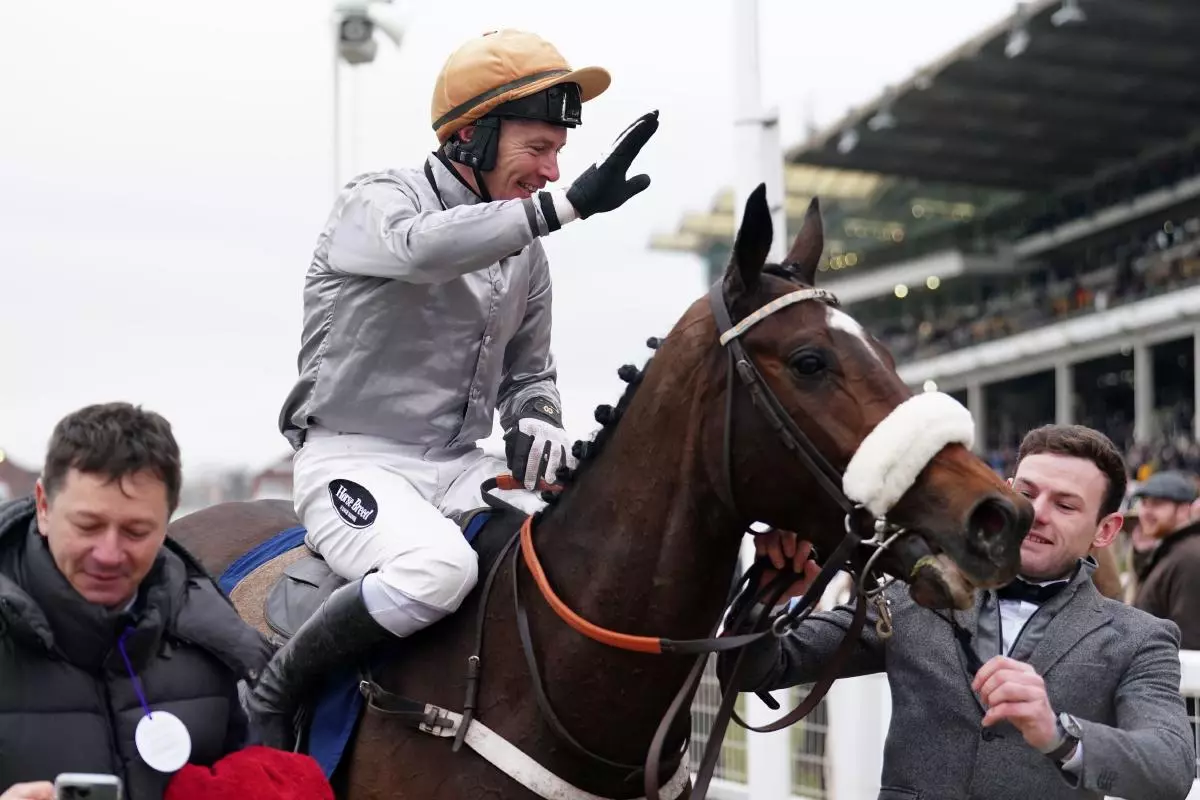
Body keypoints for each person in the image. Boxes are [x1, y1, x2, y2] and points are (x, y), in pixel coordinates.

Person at [249, 28, 659, 747]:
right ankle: (276, 690)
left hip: (459, 466)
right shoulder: (374, 202)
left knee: (576, 549)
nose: (554, 171)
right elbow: (423, 247)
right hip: (351, 460)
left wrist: (535, 425)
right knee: (438, 569)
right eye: (539, 148)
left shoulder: (526, 250)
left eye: (559, 153)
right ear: (470, 136)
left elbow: (531, 372)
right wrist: (562, 213)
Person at [726, 424, 1195, 800]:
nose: (1036, 513)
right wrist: (769, 598)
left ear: (1107, 530)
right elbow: (757, 669)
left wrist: (1060, 735)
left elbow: (1171, 769)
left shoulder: (1141, 637)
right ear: (1003, 493)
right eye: (1027, 493)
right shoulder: (912, 593)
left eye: (1066, 505)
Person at [0, 403, 272, 800]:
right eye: (88, 526)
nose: (109, 554)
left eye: (136, 530)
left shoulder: (212, 641)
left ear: (168, 518)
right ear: (43, 506)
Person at [1131, 470, 1200, 648]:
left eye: (1157, 504)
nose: (1146, 512)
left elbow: (1188, 637)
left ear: (1184, 510)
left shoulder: (1190, 558)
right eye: (1144, 504)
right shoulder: (1172, 550)